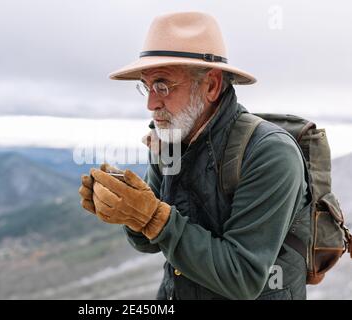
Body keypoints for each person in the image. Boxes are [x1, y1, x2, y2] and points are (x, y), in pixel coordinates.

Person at [78, 11, 310, 300]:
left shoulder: (271, 153)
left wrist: (151, 217)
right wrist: (128, 211)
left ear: (211, 85)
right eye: (147, 86)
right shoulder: (170, 140)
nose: (151, 102)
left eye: (163, 85)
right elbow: (151, 242)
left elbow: (244, 277)